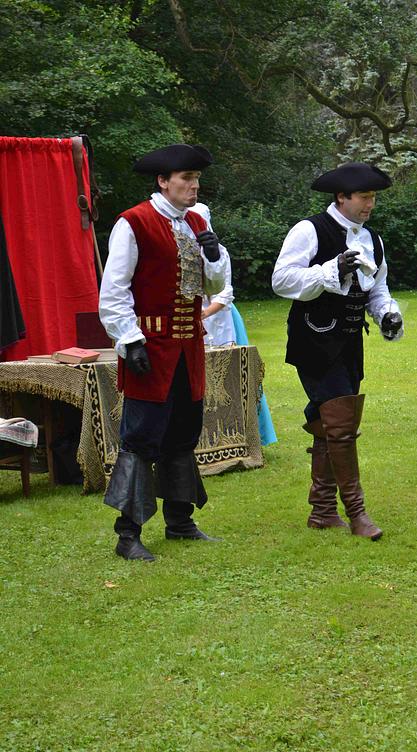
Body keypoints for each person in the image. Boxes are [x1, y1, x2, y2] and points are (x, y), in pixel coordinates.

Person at [99, 143, 229, 561]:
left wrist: (214, 255)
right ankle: (128, 535)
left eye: (197, 179)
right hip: (150, 349)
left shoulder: (196, 222)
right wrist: (129, 339)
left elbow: (212, 287)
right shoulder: (134, 222)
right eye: (186, 179)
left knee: (183, 434)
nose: (194, 186)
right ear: (163, 181)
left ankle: (180, 522)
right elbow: (114, 290)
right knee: (140, 438)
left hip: (189, 349)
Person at [272, 161, 403, 540]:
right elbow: (281, 280)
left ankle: (322, 510)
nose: (370, 204)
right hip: (313, 340)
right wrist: (331, 269)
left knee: (329, 421)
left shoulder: (373, 240)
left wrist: (387, 314)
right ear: (342, 197)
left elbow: (377, 288)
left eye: (373, 197)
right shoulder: (309, 230)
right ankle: (357, 514)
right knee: (342, 424)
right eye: (364, 197)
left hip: (349, 342)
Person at [191, 202, 277, 446]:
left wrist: (203, 314)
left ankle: (237, 435)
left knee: (228, 379)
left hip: (219, 320)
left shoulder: (219, 252)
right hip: (189, 321)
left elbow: (225, 292)